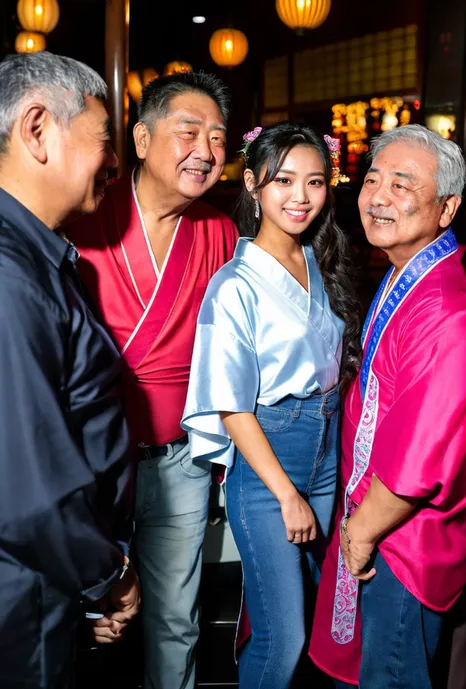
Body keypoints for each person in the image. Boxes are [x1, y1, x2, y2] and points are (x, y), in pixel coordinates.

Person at [67, 71, 239, 689]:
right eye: (188, 132)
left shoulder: (218, 231)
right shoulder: (87, 211)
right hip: (90, 463)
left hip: (180, 459)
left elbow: (233, 349)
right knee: (87, 615)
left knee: (176, 618)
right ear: (140, 139)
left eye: (217, 139)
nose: (205, 151)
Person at [182, 122, 361, 689]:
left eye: (314, 181)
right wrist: (286, 495)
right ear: (254, 183)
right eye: (283, 180)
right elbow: (232, 407)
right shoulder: (234, 284)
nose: (301, 197)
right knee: (284, 639)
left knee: (306, 619)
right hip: (270, 459)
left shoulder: (320, 261)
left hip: (327, 450)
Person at [0, 52, 138, 689]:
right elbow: (25, 487)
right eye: (103, 139)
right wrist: (108, 577)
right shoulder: (6, 276)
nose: (111, 160)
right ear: (36, 129)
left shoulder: (32, 253)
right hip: (21, 591)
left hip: (51, 576)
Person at [309, 124, 466, 689]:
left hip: (404, 541)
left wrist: (360, 533)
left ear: (446, 208)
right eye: (373, 180)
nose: (376, 197)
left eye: (402, 185)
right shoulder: (407, 273)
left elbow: (419, 458)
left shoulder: (446, 306)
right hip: (383, 522)